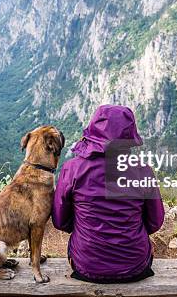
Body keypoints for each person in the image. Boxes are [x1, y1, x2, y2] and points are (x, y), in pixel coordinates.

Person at [52, 104, 165, 283]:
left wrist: (87, 228)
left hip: (86, 265)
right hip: (135, 266)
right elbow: (155, 222)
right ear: (130, 134)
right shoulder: (143, 171)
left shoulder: (72, 169)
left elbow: (60, 221)